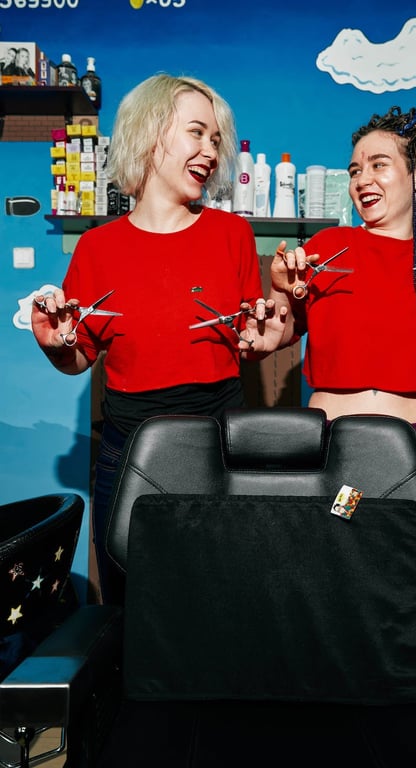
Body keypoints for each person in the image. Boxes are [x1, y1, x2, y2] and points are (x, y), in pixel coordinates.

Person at [31, 73, 283, 602]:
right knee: (131, 609)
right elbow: (80, 358)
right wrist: (57, 345)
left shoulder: (232, 235)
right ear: (149, 134)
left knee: (220, 604)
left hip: (219, 442)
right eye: (197, 133)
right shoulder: (97, 249)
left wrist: (264, 340)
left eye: (216, 139)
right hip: (128, 452)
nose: (211, 151)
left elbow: (246, 337)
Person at [260, 106, 416, 528]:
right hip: (339, 452)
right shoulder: (331, 247)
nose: (362, 180)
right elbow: (280, 330)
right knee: (338, 557)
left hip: (409, 453)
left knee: (408, 568)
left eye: (379, 165)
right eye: (356, 170)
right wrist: (280, 288)